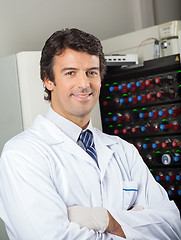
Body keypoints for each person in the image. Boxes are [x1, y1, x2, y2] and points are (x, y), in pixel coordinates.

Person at [0, 28, 180, 240]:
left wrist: (105, 220)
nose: (84, 84)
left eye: (91, 72)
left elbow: (173, 226)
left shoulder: (123, 150)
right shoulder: (22, 154)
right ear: (48, 80)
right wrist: (134, 223)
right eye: (70, 73)